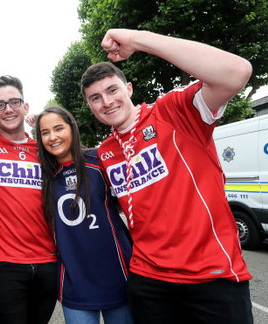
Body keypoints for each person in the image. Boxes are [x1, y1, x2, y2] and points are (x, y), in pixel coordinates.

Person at [80, 29, 253, 324]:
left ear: (129, 89)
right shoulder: (105, 153)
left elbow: (237, 72)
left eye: (112, 90)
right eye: (95, 98)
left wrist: (137, 41)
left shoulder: (173, 112)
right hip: (148, 282)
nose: (106, 102)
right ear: (89, 106)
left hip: (212, 277)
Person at [35, 105, 133, 324]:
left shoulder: (99, 160)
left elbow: (124, 203)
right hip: (75, 281)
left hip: (117, 275)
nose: (53, 137)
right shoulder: (42, 175)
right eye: (45, 132)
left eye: (58, 128)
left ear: (72, 128)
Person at [0, 75, 57, 324]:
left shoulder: (45, 150)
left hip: (48, 262)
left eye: (14, 102)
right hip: (5, 265)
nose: (8, 109)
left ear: (25, 107)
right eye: (0, 105)